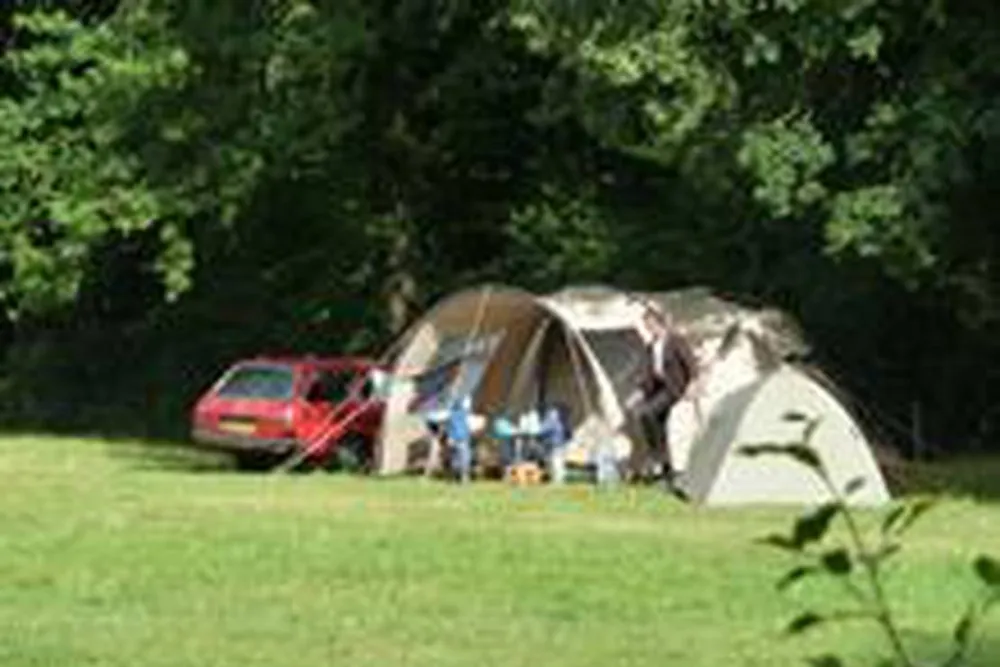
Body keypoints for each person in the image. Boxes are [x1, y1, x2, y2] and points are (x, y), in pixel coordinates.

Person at [629, 305, 697, 486]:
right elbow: (647, 375)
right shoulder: (651, 347)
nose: (648, 329)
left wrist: (692, 384)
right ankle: (666, 471)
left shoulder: (676, 341)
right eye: (646, 326)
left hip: (674, 388)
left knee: (648, 413)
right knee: (648, 419)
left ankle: (656, 457)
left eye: (650, 325)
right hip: (657, 389)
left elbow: (690, 364)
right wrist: (639, 392)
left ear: (660, 323)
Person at [446, 396, 474, 483]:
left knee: (456, 458)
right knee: (464, 458)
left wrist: (449, 437)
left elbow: (449, 427)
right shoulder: (462, 414)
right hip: (461, 438)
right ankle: (463, 477)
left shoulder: (451, 414)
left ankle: (455, 477)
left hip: (455, 438)